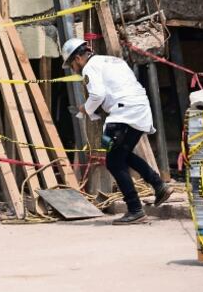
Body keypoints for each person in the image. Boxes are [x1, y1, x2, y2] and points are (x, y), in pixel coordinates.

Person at [63, 37, 172, 224]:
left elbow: (97, 94)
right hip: (139, 110)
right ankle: (158, 184)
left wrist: (85, 108)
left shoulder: (89, 68)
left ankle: (135, 209)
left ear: (77, 59)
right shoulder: (112, 60)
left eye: (72, 65)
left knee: (113, 161)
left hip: (123, 114)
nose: (74, 69)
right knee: (122, 153)